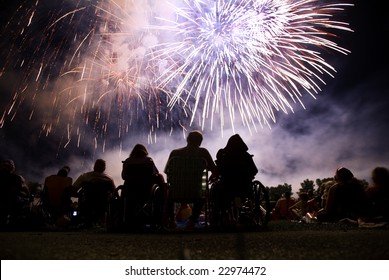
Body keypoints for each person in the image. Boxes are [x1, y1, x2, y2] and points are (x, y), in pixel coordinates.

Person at [164, 130, 218, 229]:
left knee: (168, 194)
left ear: (187, 139)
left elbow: (167, 171)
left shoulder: (175, 153)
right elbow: (214, 170)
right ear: (200, 142)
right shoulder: (203, 152)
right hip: (196, 193)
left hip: (177, 192)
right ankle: (192, 221)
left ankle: (171, 221)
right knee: (203, 193)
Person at [119, 144, 166, 228]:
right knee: (160, 178)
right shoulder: (148, 160)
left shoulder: (128, 161)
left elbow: (124, 177)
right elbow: (155, 173)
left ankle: (127, 219)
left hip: (131, 192)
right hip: (147, 191)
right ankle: (161, 211)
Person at [73, 159, 116, 226]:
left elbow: (73, 190)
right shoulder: (109, 179)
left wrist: (81, 196)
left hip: (87, 203)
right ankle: (102, 221)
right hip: (103, 204)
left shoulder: (84, 176)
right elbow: (115, 194)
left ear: (94, 166)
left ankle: (85, 219)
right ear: (104, 168)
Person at [216, 134, 258, 202]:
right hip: (245, 187)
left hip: (227, 187)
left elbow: (220, 170)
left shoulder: (223, 155)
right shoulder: (246, 156)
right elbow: (254, 170)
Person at [0, 159, 30, 228]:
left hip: (3, 203)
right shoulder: (17, 178)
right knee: (26, 200)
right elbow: (26, 190)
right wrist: (28, 196)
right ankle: (16, 219)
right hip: (12, 203)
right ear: (12, 167)